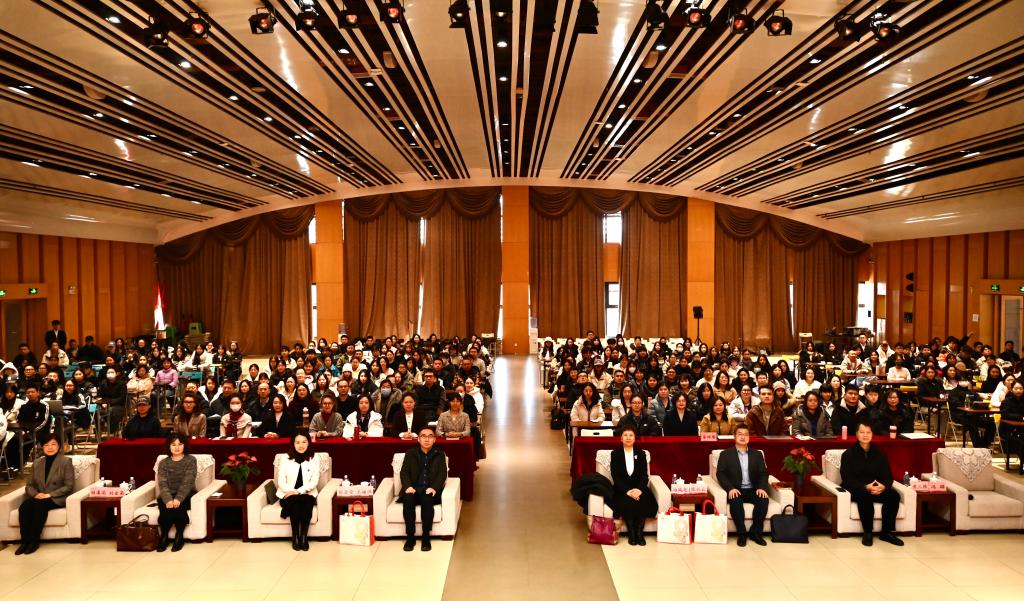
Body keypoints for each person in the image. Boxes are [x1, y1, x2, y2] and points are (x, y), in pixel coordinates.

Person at [840, 422, 904, 546]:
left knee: (893, 496)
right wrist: (865, 487)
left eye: (868, 432)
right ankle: (868, 532)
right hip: (856, 488)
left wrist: (883, 486)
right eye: (862, 432)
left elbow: (888, 476)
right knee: (865, 495)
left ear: (872, 434)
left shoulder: (879, 453)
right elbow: (847, 479)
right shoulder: (848, 455)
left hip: (875, 488)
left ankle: (886, 533)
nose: (865, 435)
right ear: (856, 434)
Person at [15, 433, 74, 555]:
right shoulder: (37, 463)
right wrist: (36, 494)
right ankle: (24, 541)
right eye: (46, 445)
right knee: (25, 506)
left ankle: (34, 541)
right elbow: (29, 485)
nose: (50, 447)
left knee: (39, 506)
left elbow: (69, 486)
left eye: (53, 444)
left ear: (59, 446)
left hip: (57, 497)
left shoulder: (66, 462)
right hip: (40, 496)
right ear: (42, 447)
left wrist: (50, 495)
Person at [715, 424, 769, 546]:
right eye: (740, 434)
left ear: (749, 437)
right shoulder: (725, 454)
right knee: (735, 501)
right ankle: (742, 533)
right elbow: (720, 474)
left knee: (763, 500)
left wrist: (762, 487)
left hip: (753, 489)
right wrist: (730, 488)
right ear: (734, 436)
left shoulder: (757, 454)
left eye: (746, 434)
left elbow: (763, 473)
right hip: (736, 489)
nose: (743, 437)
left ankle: (755, 533)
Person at [399, 426, 447, 552]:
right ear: (418, 439)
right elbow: (404, 472)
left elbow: (442, 474)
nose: (427, 439)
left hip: (429, 489)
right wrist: (407, 486)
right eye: (423, 436)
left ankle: (426, 536)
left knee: (427, 500)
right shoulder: (410, 453)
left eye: (430, 436)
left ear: (434, 439)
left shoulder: (439, 454)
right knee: (408, 500)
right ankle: (410, 537)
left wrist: (434, 488)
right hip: (413, 488)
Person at [609, 423, 658, 546]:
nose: (628, 438)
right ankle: (632, 532)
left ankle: (639, 532)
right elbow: (615, 476)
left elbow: (644, 476)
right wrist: (628, 491)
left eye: (631, 435)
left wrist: (639, 489)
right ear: (621, 438)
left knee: (643, 499)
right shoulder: (615, 454)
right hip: (622, 488)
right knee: (627, 500)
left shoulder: (641, 454)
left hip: (639, 487)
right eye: (625, 435)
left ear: (635, 438)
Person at [276, 432, 321, 551]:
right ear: (293, 444)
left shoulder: (315, 458)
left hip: (307, 493)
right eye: (298, 442)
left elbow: (314, 481)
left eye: (304, 442)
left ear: (309, 443)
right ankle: (295, 537)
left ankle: (304, 537)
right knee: (295, 504)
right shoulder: (285, 458)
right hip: (287, 493)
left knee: (305, 502)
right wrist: (292, 492)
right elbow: (281, 481)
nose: (301, 445)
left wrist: (298, 491)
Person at [155, 433, 197, 552]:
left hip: (187, 494)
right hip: (168, 494)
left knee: (179, 507)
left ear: (185, 445)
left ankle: (179, 536)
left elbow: (188, 481)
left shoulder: (190, 460)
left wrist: (178, 498)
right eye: (173, 445)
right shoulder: (163, 463)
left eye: (180, 444)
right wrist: (168, 499)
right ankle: (164, 536)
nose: (177, 447)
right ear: (169, 447)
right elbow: (162, 483)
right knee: (164, 507)